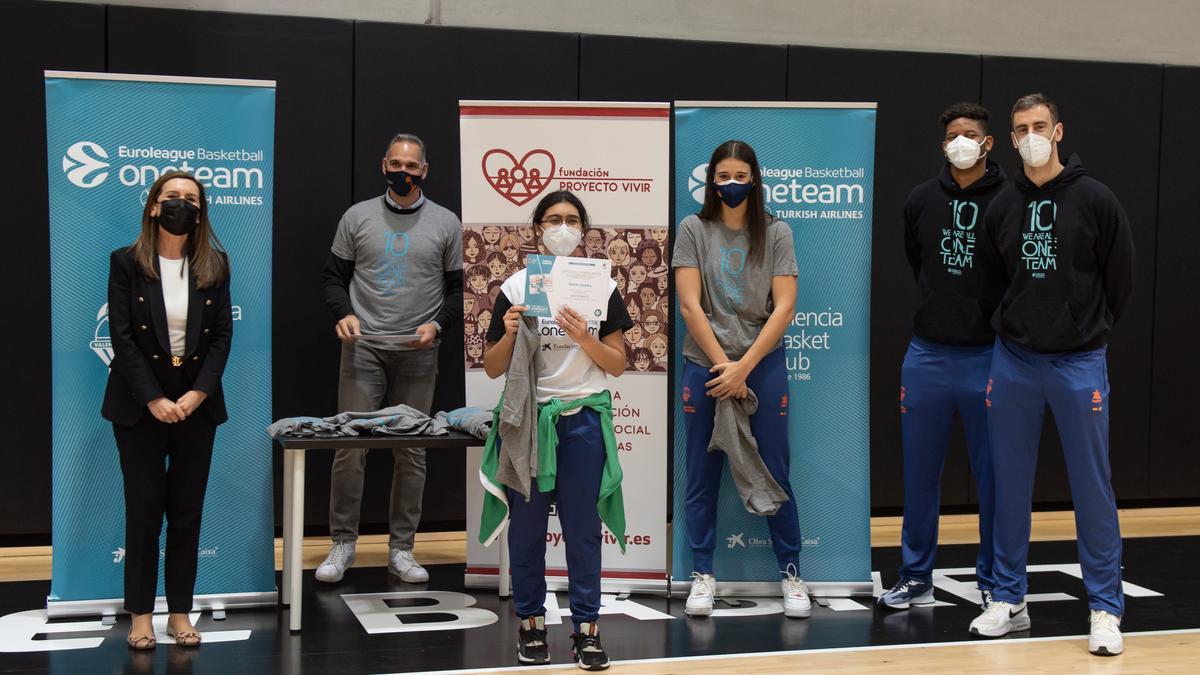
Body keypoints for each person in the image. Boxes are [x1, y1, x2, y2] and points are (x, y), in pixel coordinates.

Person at [971, 94, 1134, 657]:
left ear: (1058, 130)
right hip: (1014, 361)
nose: (1031, 135)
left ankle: (1105, 609)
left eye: (1040, 125)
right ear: (1011, 141)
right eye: (1021, 129)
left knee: (1092, 489)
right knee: (1008, 483)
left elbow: (1120, 277)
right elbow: (992, 279)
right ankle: (1009, 600)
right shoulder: (1000, 206)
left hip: (1077, 361)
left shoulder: (1095, 199)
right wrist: (1014, 325)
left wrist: (1086, 328)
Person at [481, 190, 633, 670]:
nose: (562, 228)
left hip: (583, 420)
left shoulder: (601, 288)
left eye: (571, 221)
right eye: (552, 220)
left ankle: (587, 630)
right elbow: (490, 369)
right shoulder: (516, 287)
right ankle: (530, 625)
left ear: (583, 231)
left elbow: (618, 364)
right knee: (526, 532)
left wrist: (583, 334)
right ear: (536, 230)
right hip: (529, 422)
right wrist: (507, 333)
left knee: (583, 530)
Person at [318, 133, 463, 583]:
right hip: (363, 349)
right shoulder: (357, 217)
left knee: (412, 451)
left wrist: (437, 325)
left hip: (418, 353)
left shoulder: (446, 222)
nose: (403, 172)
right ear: (383, 165)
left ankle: (402, 549)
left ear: (425, 170)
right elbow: (332, 279)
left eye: (412, 166)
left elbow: (459, 289)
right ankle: (342, 544)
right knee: (349, 449)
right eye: (396, 164)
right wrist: (343, 314)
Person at [878, 103, 1007, 611]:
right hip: (928, 355)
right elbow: (919, 262)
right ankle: (916, 576)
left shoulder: (1011, 198)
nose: (961, 142)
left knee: (995, 474)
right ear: (943, 144)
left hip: (991, 356)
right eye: (953, 134)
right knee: (920, 473)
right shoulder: (920, 200)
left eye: (971, 134)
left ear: (989, 143)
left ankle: (995, 578)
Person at [674, 140, 810, 619]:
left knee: (774, 469)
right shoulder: (693, 228)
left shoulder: (776, 232)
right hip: (705, 365)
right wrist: (723, 368)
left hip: (763, 364)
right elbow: (690, 304)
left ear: (755, 179)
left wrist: (745, 367)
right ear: (712, 180)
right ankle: (702, 575)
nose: (732, 184)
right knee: (701, 472)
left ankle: (791, 572)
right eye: (723, 176)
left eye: (740, 176)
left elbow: (785, 306)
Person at [102, 171, 233, 649]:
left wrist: (196, 395)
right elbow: (122, 337)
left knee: (186, 514)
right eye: (172, 197)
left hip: (196, 406)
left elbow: (221, 338)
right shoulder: (125, 263)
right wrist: (154, 398)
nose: (182, 205)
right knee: (143, 512)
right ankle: (140, 616)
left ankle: (179, 612)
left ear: (201, 212)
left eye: (191, 200)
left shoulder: (216, 264)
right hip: (140, 408)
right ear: (154, 205)